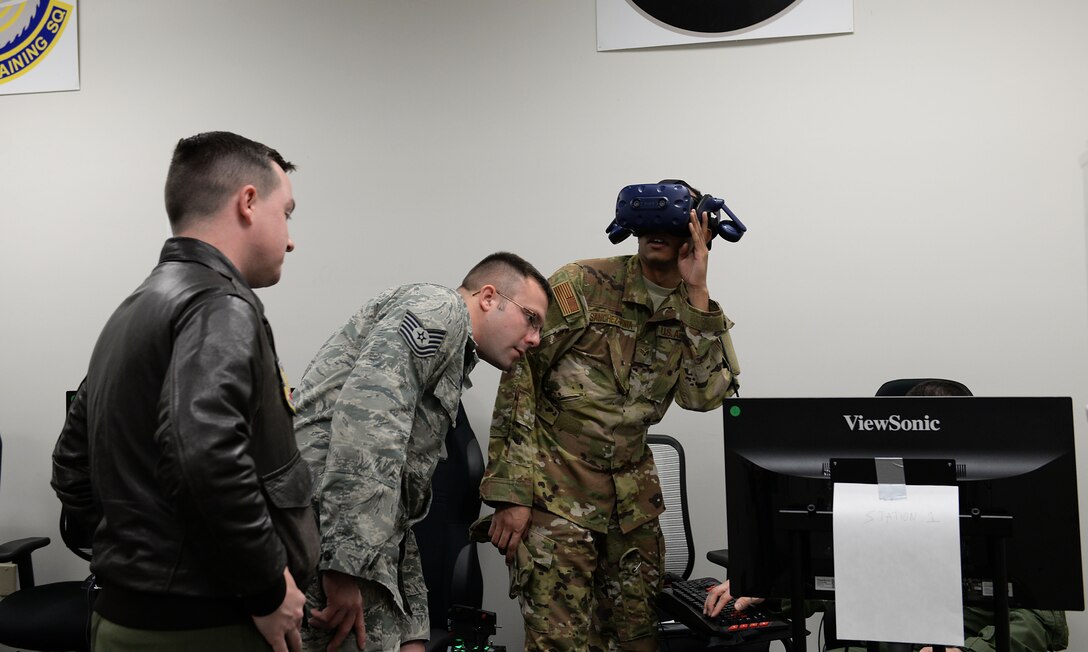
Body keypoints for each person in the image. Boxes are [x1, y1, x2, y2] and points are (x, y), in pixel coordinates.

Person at [51, 131, 319, 652]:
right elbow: (204, 454)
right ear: (247, 202)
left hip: (124, 622)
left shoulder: (134, 308)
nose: (290, 239)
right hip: (208, 627)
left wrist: (139, 560)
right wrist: (265, 589)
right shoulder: (220, 305)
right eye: (286, 213)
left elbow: (71, 467)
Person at [477, 180, 741, 651]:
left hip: (632, 509)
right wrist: (510, 494)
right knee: (559, 644)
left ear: (699, 231)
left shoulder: (692, 307)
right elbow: (521, 380)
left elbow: (703, 397)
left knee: (634, 641)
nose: (655, 230)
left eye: (674, 218)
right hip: (554, 500)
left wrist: (699, 292)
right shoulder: (583, 283)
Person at [293, 252, 551, 652]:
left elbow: (400, 496)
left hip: (355, 538)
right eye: (530, 318)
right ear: (488, 297)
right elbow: (369, 427)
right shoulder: (438, 310)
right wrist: (344, 566)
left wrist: (413, 623)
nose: (535, 338)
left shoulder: (451, 349)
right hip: (324, 532)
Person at [702, 379, 1070, 652]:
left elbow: (1043, 621)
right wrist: (765, 588)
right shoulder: (877, 505)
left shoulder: (1001, 506)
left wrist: (973, 650)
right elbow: (833, 581)